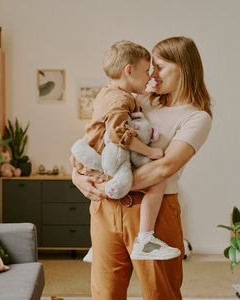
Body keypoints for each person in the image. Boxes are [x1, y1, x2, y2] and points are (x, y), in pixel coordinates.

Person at [72, 36, 212, 300]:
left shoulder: (196, 117)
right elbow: (97, 137)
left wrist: (107, 187)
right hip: (106, 208)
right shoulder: (138, 98)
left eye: (160, 67)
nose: (152, 75)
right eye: (151, 68)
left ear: (183, 68)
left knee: (161, 294)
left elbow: (164, 168)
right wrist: (77, 176)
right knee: (104, 294)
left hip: (154, 213)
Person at [70, 40, 181, 263]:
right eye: (146, 71)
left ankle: (99, 246)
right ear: (128, 71)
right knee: (158, 181)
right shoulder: (121, 98)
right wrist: (150, 153)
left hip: (98, 157)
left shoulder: (106, 93)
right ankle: (145, 238)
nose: (150, 76)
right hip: (106, 160)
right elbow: (118, 134)